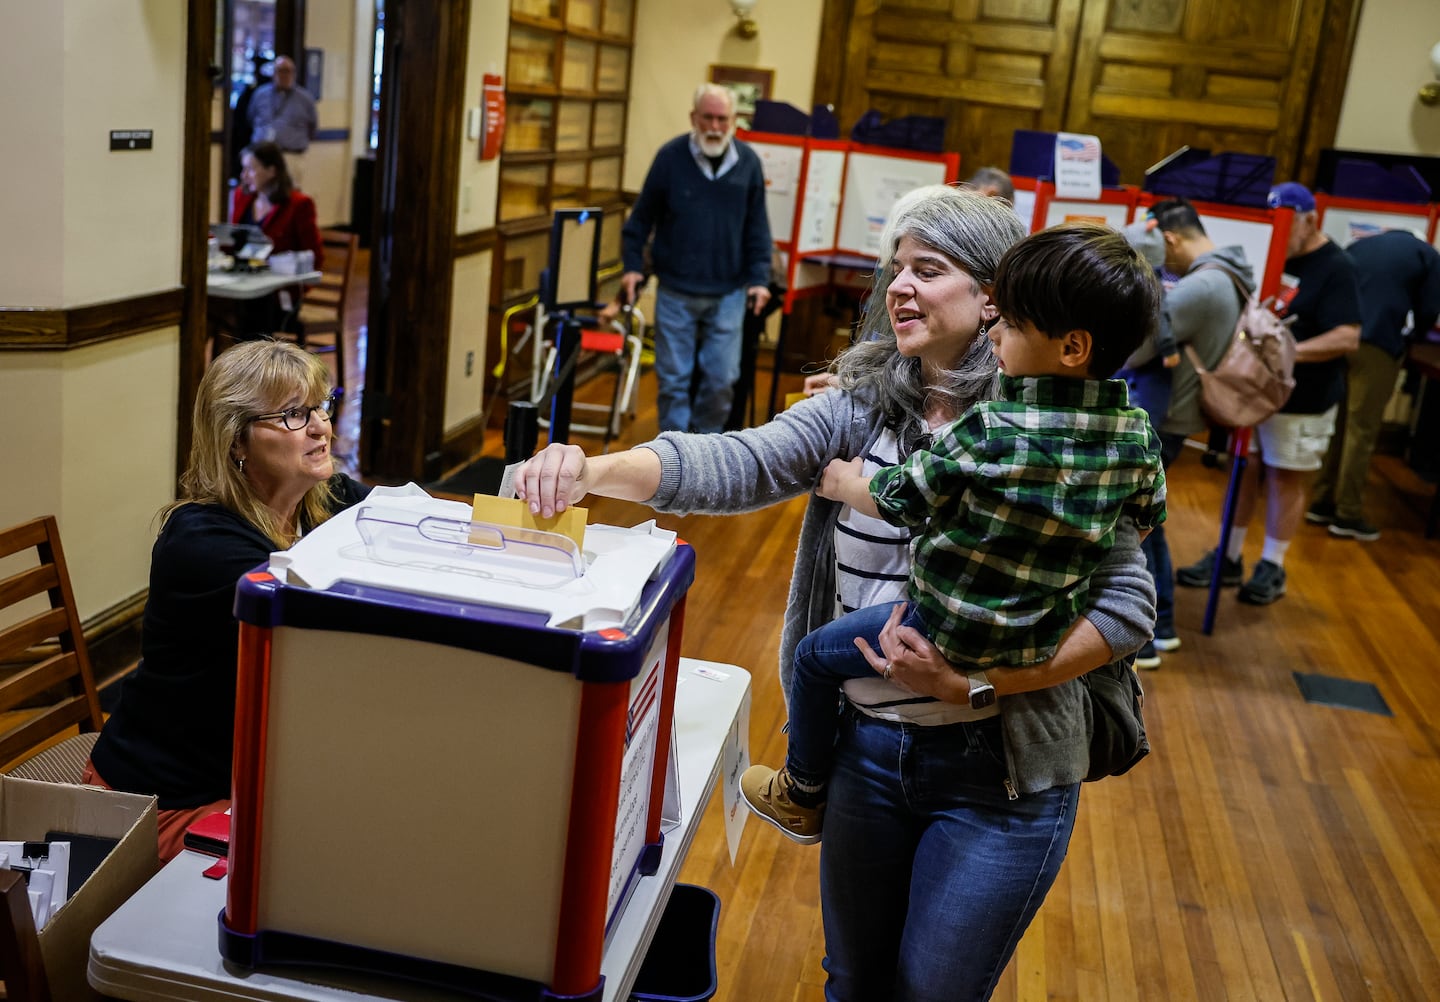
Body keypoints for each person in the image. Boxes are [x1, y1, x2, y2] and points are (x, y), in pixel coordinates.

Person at [515, 186, 1157, 1000]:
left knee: (933, 989)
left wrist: (977, 684)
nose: (899, 287)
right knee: (851, 981)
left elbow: (1129, 608)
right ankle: (806, 790)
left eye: (928, 268)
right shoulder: (865, 402)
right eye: (896, 268)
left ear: (995, 296)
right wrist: (591, 469)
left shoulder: (1057, 432)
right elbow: (741, 459)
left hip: (1001, 771)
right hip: (867, 756)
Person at [739, 224, 1166, 844]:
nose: (996, 331)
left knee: (811, 658)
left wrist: (843, 486)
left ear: (1071, 346)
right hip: (1041, 632)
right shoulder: (1135, 435)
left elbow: (902, 498)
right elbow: (1147, 518)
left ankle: (802, 789)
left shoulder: (991, 428)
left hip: (944, 625)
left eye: (1013, 324)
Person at [85, 340, 370, 862]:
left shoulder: (325, 501)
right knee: (327, 864)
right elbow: (329, 613)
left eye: (321, 406)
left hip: (249, 780)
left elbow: (422, 525)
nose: (320, 427)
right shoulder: (201, 541)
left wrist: (552, 473)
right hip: (164, 800)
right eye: (292, 415)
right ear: (236, 440)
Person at [1177, 182, 1360, 604]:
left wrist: (1284, 356)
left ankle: (1273, 566)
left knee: (1285, 477)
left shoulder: (1337, 266)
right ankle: (1229, 556)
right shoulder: (1273, 255)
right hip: (1255, 394)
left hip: (1303, 398)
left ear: (1310, 220)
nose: (1281, 233)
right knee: (1244, 471)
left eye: (1288, 225)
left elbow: (1348, 336)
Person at [1133, 197, 1255, 665]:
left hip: (1167, 417)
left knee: (1140, 525)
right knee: (1148, 522)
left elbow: (1140, 346)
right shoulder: (1232, 276)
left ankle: (1152, 632)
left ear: (1168, 238)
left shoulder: (1203, 286)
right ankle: (1158, 628)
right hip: (1181, 417)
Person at [621, 83, 772, 433]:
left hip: (729, 292)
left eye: (723, 119)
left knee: (721, 381)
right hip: (676, 289)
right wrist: (631, 267)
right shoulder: (670, 157)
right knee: (674, 383)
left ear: (734, 120)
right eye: (708, 118)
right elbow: (640, 220)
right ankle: (672, 462)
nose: (715, 127)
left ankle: (703, 457)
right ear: (694, 117)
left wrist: (760, 279)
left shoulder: (747, 162)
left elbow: (757, 228)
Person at [1307, 229, 1440, 540]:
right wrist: (1417, 337)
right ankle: (1348, 514)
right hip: (1377, 343)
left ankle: (1321, 501)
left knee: (1339, 425)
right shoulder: (1427, 255)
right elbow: (1429, 308)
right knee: (1362, 430)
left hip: (1337, 338)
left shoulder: (1360, 244)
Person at [217, 142, 325, 341]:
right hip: (243, 283)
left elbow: (314, 257)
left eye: (250, 169)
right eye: (243, 169)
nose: (244, 175)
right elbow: (233, 243)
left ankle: (252, 367)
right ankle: (229, 367)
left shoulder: (299, 205)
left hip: (278, 296)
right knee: (213, 308)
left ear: (271, 170)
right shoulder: (242, 197)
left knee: (250, 311)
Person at [245, 55, 317, 184]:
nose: (284, 75)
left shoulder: (305, 99)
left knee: (289, 195)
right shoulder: (260, 94)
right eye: (280, 70)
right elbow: (250, 118)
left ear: (294, 74)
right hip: (263, 157)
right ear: (273, 73)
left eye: (288, 71)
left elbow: (312, 127)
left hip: (291, 156)